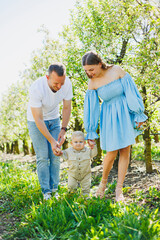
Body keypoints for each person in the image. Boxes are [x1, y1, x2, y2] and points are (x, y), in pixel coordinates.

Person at [82, 51, 148, 202]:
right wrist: (91, 131)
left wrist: (138, 113)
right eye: (86, 71)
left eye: (91, 69)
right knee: (111, 153)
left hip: (125, 112)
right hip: (109, 117)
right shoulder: (92, 83)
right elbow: (91, 109)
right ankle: (102, 185)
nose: (89, 73)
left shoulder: (117, 70)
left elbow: (131, 91)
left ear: (99, 64)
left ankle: (119, 190)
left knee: (125, 150)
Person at [27, 63, 73, 200]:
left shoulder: (67, 84)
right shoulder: (36, 88)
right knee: (42, 157)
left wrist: (63, 130)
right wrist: (52, 141)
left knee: (55, 155)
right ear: (47, 77)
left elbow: (66, 108)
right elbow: (38, 119)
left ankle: (54, 189)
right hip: (36, 122)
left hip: (54, 120)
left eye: (62, 83)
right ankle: (46, 191)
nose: (59, 87)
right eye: (56, 83)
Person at [60, 131, 97, 196]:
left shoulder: (88, 151)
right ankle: (72, 196)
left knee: (86, 187)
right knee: (71, 186)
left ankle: (85, 197)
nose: (78, 144)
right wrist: (58, 150)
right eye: (76, 142)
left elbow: (94, 153)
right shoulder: (68, 151)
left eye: (81, 142)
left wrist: (94, 146)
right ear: (71, 143)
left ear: (85, 143)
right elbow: (62, 155)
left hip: (85, 174)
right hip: (73, 174)